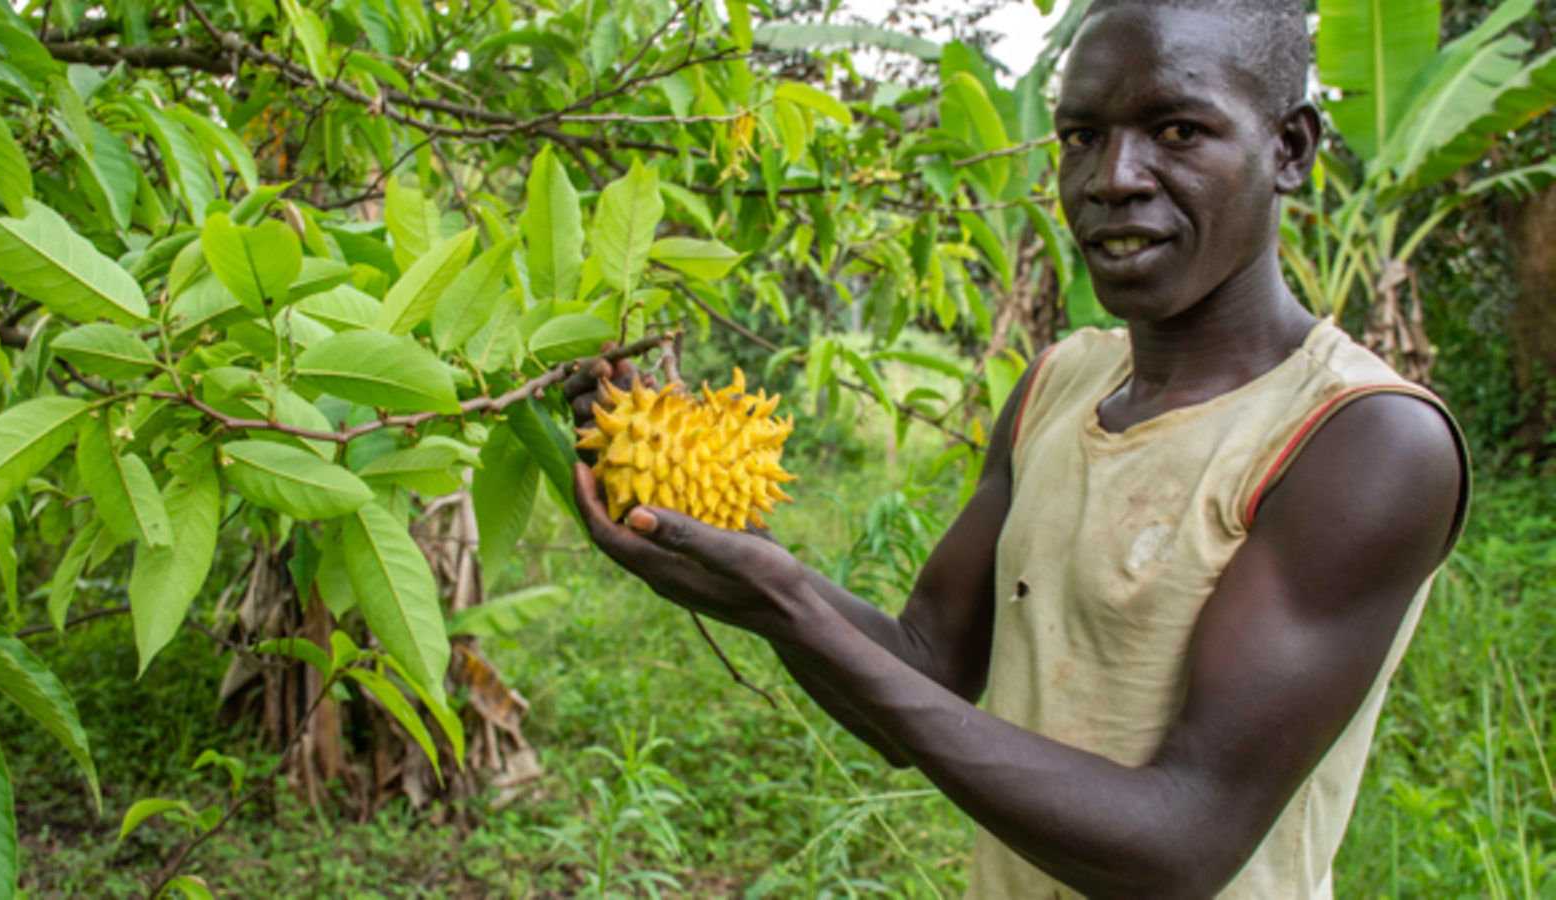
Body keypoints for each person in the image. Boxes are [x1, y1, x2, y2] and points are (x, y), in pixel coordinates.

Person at [563, 0, 1471, 894]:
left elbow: (1182, 843)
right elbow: (922, 667)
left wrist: (787, 603)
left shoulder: (1363, 440)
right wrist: (744, 567)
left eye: (1179, 131)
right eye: (1081, 136)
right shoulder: (1059, 384)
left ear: (1292, 150)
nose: (1113, 176)